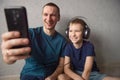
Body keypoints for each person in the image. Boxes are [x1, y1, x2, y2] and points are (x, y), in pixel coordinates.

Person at [1, 2, 67, 80]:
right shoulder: (30, 34)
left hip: (50, 75)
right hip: (30, 74)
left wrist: (52, 77)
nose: (49, 19)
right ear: (42, 16)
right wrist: (8, 57)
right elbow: (12, 54)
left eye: (53, 15)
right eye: (46, 14)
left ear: (58, 17)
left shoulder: (63, 41)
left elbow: (61, 65)